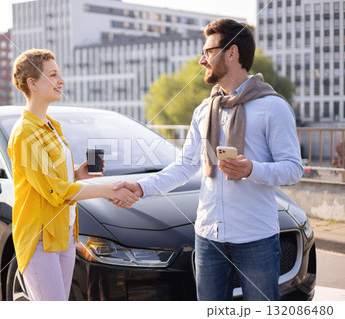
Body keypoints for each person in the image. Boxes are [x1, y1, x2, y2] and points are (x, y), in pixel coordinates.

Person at [113, 19, 303, 301]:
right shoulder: (204, 110)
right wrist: (141, 188)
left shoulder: (272, 107)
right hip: (207, 239)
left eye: (207, 52)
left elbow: (293, 169)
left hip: (256, 240)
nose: (202, 60)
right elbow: (185, 166)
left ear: (232, 53)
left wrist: (252, 169)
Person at [8, 49, 139, 301]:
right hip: (39, 241)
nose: (61, 81)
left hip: (63, 235)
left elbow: (56, 181)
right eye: (53, 74)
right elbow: (56, 192)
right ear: (32, 83)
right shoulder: (25, 132)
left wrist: (79, 172)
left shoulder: (52, 126)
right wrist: (109, 189)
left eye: (60, 74)